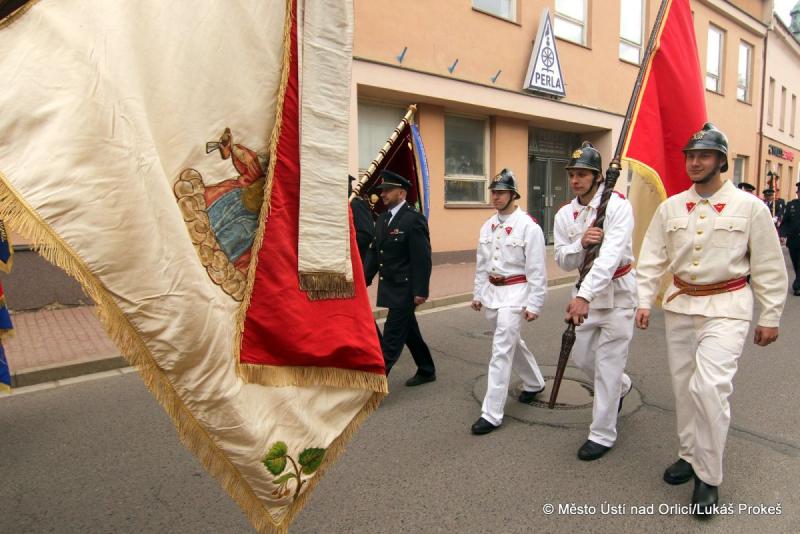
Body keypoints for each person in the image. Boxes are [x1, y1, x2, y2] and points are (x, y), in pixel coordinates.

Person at [635, 123, 787, 516]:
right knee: (684, 388)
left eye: (704, 155)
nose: (695, 162)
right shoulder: (671, 208)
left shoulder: (750, 208)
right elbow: (652, 256)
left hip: (727, 308)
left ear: (722, 161)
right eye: (690, 155)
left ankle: (708, 476)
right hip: (681, 305)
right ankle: (688, 454)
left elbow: (769, 266)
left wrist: (770, 314)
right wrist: (642, 300)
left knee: (709, 389)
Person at [553, 142, 636, 460]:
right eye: (572, 174)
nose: (575, 180)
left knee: (609, 365)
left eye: (583, 174)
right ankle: (621, 386)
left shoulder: (617, 206)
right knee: (583, 357)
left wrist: (584, 295)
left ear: (598, 176)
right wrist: (581, 244)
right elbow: (563, 260)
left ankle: (602, 433)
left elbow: (611, 257)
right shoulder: (565, 214)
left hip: (618, 294)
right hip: (584, 292)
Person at [470, 169, 546, 435]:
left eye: (501, 192)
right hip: (493, 293)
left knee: (501, 350)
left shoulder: (529, 226)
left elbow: (537, 269)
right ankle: (534, 382)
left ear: (514, 195)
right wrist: (478, 293)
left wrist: (535, 303)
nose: (496, 197)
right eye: (494, 192)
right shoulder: (488, 225)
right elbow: (482, 264)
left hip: (515, 294)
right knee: (512, 342)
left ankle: (491, 414)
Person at [365, 170, 435, 385]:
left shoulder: (413, 219)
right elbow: (375, 253)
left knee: (391, 337)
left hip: (406, 289)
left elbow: (422, 258)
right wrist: (362, 279)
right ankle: (426, 369)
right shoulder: (383, 219)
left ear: (402, 193)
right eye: (382, 190)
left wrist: (421, 291)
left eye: (388, 190)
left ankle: (374, 386)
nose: (383, 194)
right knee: (409, 331)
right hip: (390, 287)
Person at [779, 181, 800, 296]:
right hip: (793, 240)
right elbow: (785, 222)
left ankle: (797, 286)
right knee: (796, 263)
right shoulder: (791, 205)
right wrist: (782, 234)